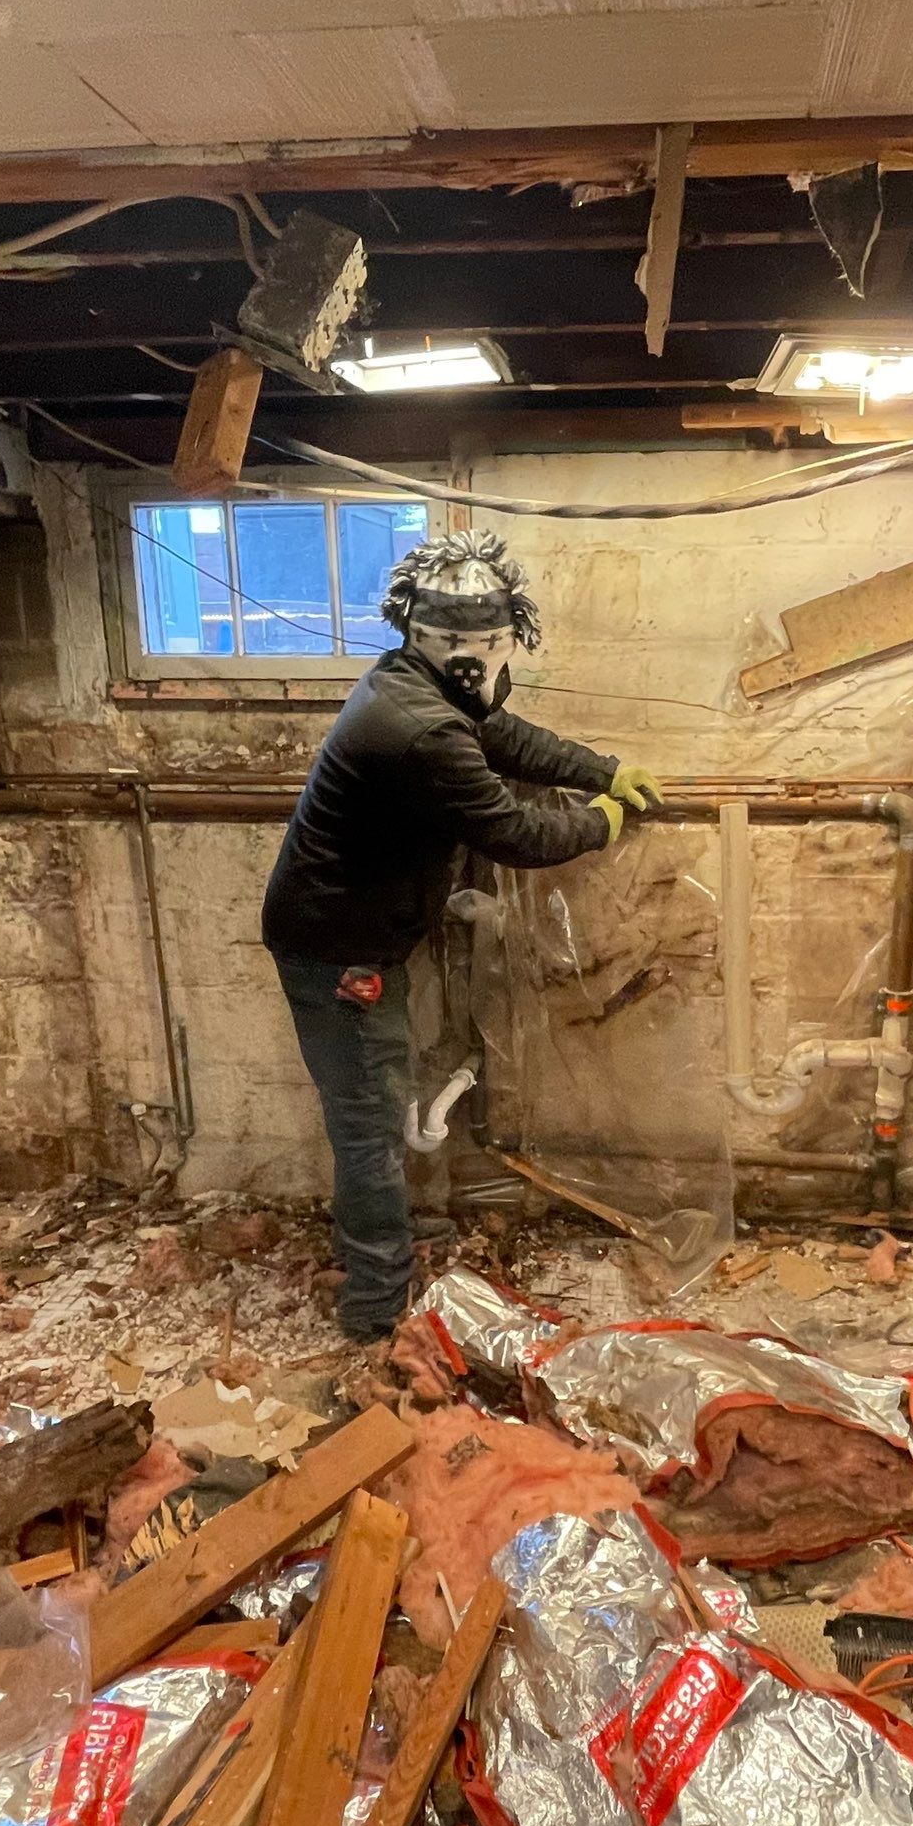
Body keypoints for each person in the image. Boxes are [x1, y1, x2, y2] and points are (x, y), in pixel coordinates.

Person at [261, 529, 662, 1341]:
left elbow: (504, 736)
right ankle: (376, 1310)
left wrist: (600, 769)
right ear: (467, 657)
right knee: (368, 1125)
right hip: (342, 951)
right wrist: (602, 822)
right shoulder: (420, 728)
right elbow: (514, 831)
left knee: (379, 1095)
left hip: (359, 931)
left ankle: (397, 1244)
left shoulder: (418, 686)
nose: (499, 673)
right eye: (494, 656)